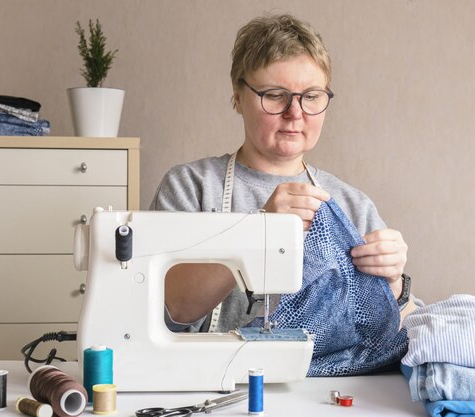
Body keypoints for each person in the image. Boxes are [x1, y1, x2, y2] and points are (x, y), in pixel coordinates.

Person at [150, 13, 411, 334]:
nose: (295, 113)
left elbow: (398, 331)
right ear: (237, 96)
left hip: (319, 383)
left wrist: (395, 284)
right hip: (213, 382)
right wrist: (257, 229)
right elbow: (168, 310)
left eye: (312, 96)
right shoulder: (193, 187)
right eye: (275, 95)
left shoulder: (351, 205)